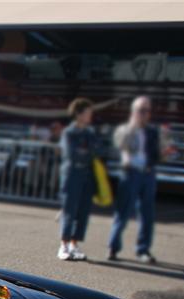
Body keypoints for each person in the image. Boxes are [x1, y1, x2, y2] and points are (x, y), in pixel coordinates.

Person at [108, 96, 163, 263]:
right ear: (133, 112)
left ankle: (143, 250)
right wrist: (132, 127)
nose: (145, 114)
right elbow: (119, 144)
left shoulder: (152, 131)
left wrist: (161, 154)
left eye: (147, 111)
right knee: (123, 212)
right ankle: (113, 247)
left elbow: (156, 154)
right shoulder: (125, 130)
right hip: (130, 173)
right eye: (141, 110)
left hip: (147, 174)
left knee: (147, 214)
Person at [57, 98, 97, 261]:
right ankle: (64, 245)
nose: (90, 116)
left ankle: (75, 244)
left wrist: (84, 152)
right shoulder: (69, 132)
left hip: (87, 176)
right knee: (69, 211)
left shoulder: (89, 133)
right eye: (87, 113)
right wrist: (85, 152)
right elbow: (70, 154)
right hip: (72, 175)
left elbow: (96, 150)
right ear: (79, 114)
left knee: (83, 212)